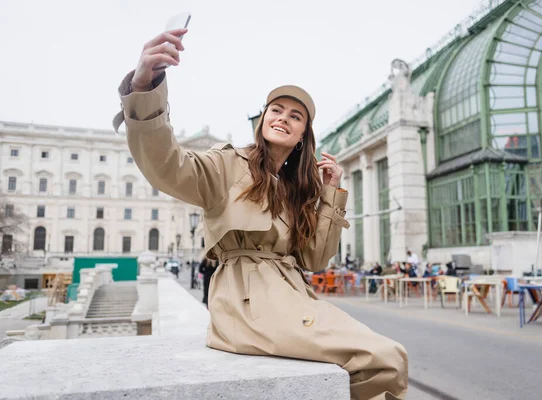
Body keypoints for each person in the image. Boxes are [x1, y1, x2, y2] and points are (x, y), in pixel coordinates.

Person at [113, 27, 408, 399]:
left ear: (303, 135)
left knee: (390, 361)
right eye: (276, 110)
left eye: (295, 116)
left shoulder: (295, 189)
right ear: (263, 119)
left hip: (292, 297)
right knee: (386, 358)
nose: (283, 118)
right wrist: (145, 87)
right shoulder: (226, 165)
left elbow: (314, 259)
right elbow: (166, 164)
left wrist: (331, 194)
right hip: (246, 304)